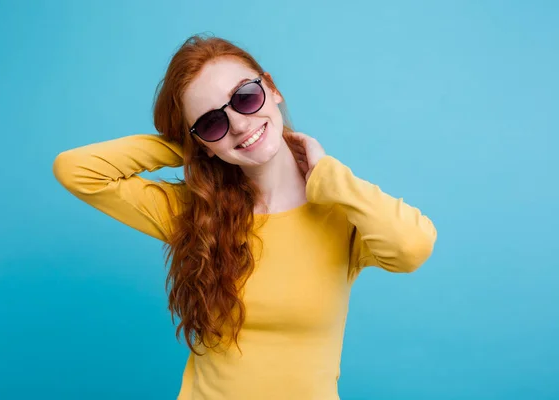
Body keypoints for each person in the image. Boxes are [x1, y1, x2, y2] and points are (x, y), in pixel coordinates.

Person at [53, 34, 438, 400]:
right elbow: (76, 171)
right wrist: (190, 146)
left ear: (271, 88)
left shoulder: (340, 210)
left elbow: (411, 247)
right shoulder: (195, 213)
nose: (238, 124)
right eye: (211, 122)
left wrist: (330, 178)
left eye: (245, 97)